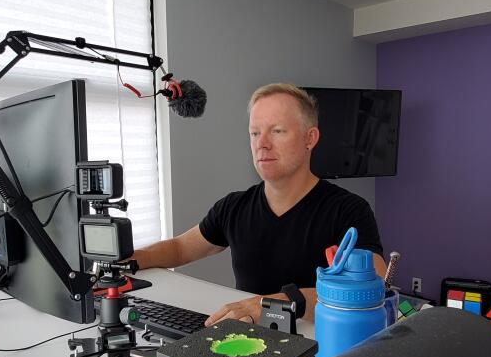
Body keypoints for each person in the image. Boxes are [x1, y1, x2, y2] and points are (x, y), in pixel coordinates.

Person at [128, 83, 385, 326]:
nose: (262, 143)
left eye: (277, 131)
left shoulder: (349, 210)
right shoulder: (234, 207)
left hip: (319, 347)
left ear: (310, 138)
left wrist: (273, 305)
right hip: (248, 339)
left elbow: (372, 286)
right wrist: (126, 261)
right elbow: (181, 248)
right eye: (254, 133)